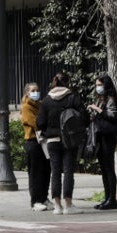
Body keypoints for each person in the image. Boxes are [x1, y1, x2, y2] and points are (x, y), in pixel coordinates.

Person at [36, 72, 83, 214]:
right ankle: (69, 204)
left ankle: (57, 206)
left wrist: (48, 131)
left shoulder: (46, 101)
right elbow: (84, 117)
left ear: (54, 83)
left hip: (52, 140)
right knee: (68, 171)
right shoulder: (73, 98)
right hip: (69, 140)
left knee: (55, 172)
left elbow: (40, 122)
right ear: (67, 83)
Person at [87, 73, 117, 210]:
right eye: (96, 85)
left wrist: (97, 109)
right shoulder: (100, 99)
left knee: (109, 168)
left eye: (100, 85)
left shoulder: (110, 99)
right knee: (104, 168)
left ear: (106, 85)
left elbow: (113, 115)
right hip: (100, 136)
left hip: (108, 137)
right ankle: (107, 197)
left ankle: (112, 199)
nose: (97, 87)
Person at [20, 81, 49, 211]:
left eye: (37, 90)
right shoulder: (26, 107)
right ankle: (35, 200)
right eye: (33, 91)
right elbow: (35, 123)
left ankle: (44, 197)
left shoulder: (40, 105)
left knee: (46, 171)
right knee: (35, 172)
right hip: (33, 141)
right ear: (27, 93)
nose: (36, 93)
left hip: (43, 140)